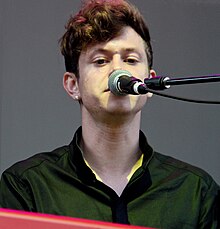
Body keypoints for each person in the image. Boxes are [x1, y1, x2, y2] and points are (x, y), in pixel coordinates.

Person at [0, 0, 219, 228]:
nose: (118, 70)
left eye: (131, 60)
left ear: (151, 82)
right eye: (101, 60)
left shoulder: (196, 191)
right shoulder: (27, 186)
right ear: (73, 85)